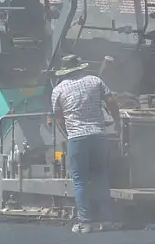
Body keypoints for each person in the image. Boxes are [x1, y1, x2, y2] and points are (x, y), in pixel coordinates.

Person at [51, 54, 122, 233]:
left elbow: (58, 118)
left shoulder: (58, 90)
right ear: (80, 67)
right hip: (98, 135)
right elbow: (112, 102)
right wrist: (117, 121)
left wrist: (69, 133)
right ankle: (107, 221)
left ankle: (85, 222)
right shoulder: (95, 81)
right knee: (100, 176)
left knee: (80, 181)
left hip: (77, 138)